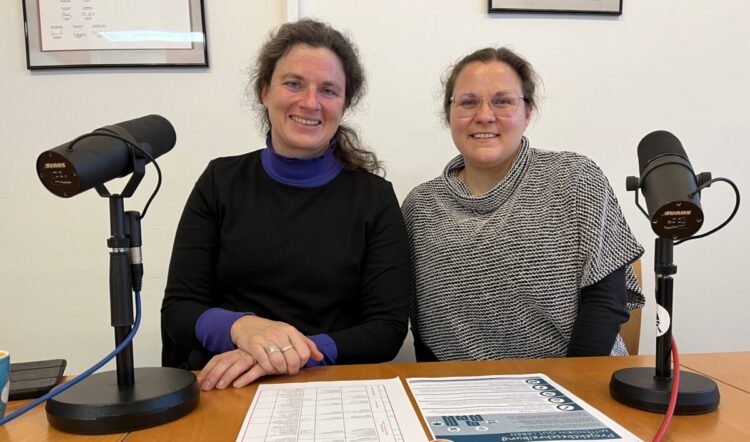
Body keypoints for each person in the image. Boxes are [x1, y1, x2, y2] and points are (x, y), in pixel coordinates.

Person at [161, 19, 410, 390]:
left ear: (344, 105)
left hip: (329, 383)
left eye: (328, 90)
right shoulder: (219, 182)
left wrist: (286, 354)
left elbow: (386, 329)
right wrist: (243, 328)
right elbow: (179, 309)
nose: (310, 102)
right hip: (229, 385)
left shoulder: (375, 198)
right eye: (293, 83)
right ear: (265, 91)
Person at [402, 47, 644, 362]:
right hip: (463, 387)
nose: (484, 115)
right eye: (468, 102)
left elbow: (606, 302)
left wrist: (571, 385)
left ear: (528, 112)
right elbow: (423, 325)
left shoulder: (574, 178)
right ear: (449, 113)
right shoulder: (421, 207)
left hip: (577, 379)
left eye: (503, 101)